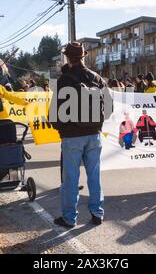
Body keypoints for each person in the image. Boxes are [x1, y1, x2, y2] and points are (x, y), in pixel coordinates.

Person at [50, 42, 112, 229]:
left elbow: (55, 112)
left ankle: (69, 218)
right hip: (94, 134)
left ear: (67, 57)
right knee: (94, 175)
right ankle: (97, 213)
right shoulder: (97, 78)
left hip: (72, 135)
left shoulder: (64, 79)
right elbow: (108, 109)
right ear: (84, 56)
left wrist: (60, 128)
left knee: (71, 178)